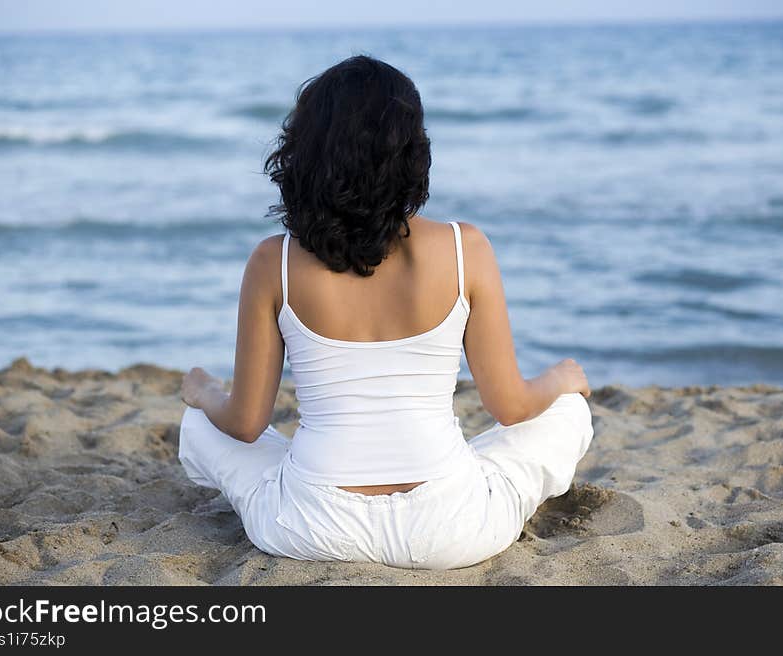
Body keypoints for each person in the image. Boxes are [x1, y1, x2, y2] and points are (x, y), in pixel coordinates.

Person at [178, 54, 594, 570]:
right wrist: (559, 379)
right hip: (449, 529)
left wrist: (204, 394)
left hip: (310, 524)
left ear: (306, 151)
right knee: (568, 411)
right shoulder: (466, 249)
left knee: (199, 425)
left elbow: (244, 424)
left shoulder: (274, 261)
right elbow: (509, 407)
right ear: (411, 152)